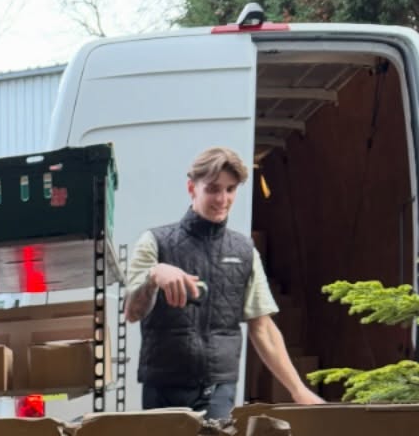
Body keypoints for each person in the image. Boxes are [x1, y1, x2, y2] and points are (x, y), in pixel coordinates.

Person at [124, 146, 324, 420]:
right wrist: (154, 275)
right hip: (164, 387)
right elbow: (132, 313)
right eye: (213, 189)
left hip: (219, 388)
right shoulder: (155, 242)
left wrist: (298, 390)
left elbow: (262, 328)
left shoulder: (244, 251)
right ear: (192, 188)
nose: (222, 198)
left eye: (230, 190)